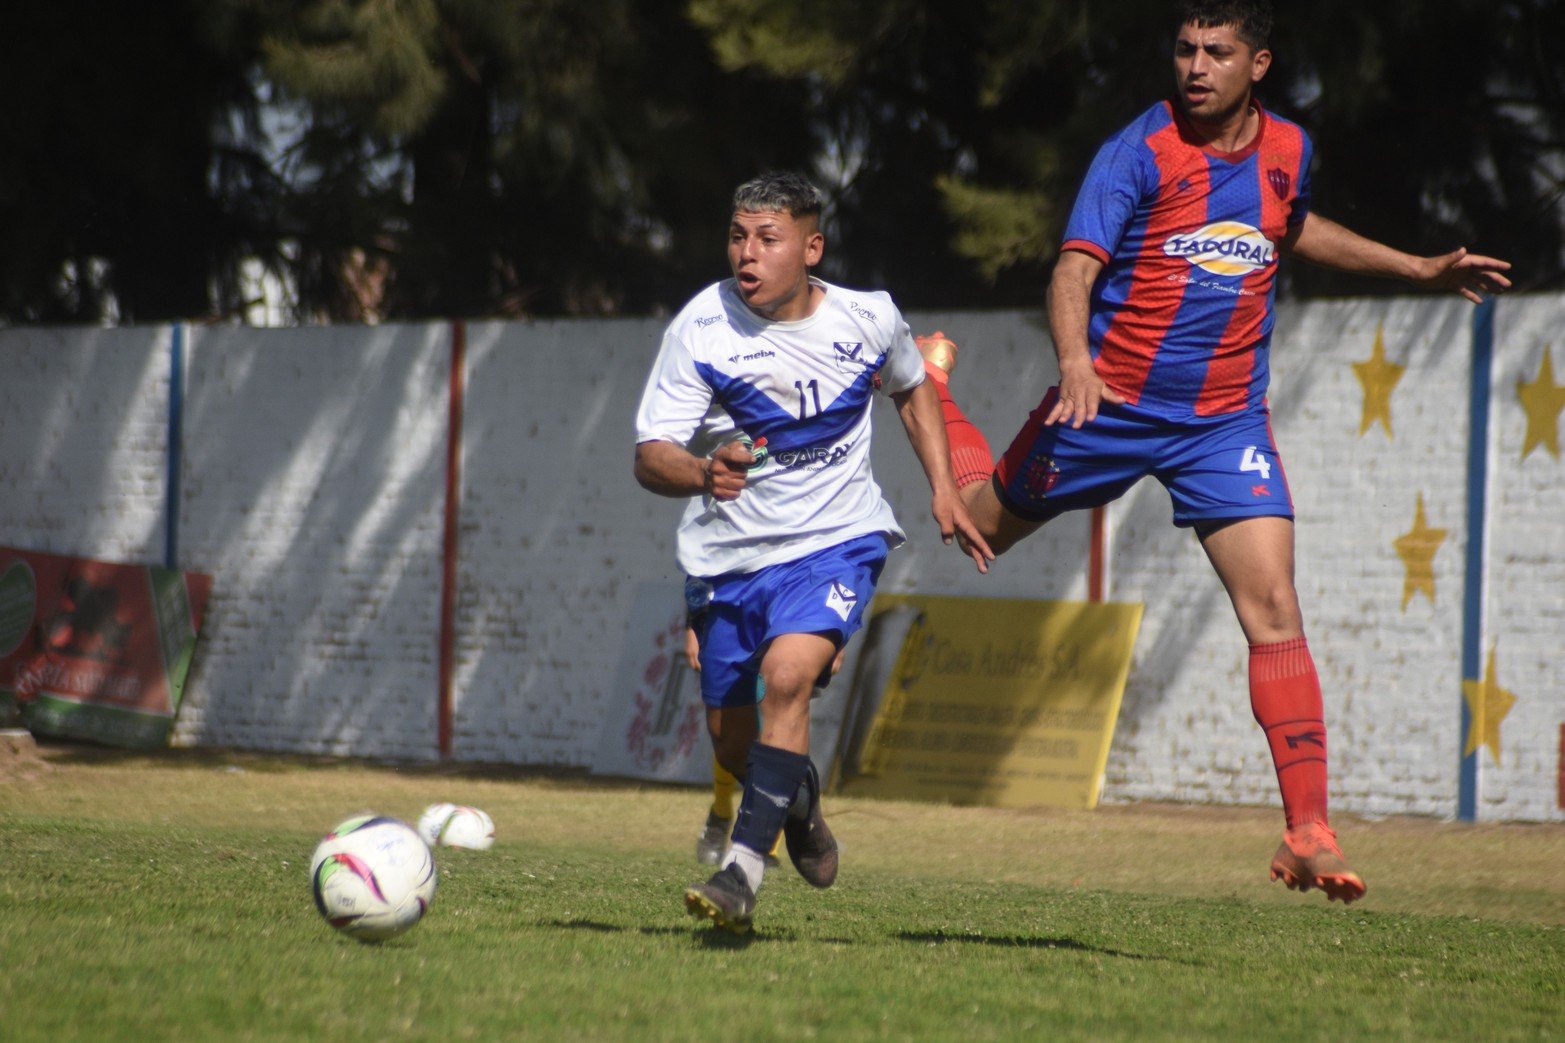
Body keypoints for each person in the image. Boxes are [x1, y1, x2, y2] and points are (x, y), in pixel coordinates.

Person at [931, 0, 1511, 905]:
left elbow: (1288, 227)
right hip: (1110, 403)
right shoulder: (1137, 152)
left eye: (1217, 52)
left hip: (1221, 423)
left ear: (1259, 64)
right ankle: (932, 392)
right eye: (1184, 49)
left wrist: (1416, 267)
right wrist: (1077, 362)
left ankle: (1307, 830)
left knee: (1274, 607)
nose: (1194, 66)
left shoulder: (1288, 147)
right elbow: (1072, 271)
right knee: (972, 529)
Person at [633, 172, 993, 934]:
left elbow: (910, 386)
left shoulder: (867, 317)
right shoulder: (701, 327)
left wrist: (940, 487)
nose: (746, 254)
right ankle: (796, 800)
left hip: (835, 542)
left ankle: (739, 871)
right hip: (727, 560)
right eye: (737, 236)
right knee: (737, 744)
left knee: (788, 677)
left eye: (767, 238)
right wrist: (703, 470)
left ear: (811, 246)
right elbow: (648, 454)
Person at [682, 578, 845, 868]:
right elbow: (707, 549)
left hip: (793, 610)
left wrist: (836, 632)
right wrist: (693, 623)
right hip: (738, 609)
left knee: (779, 724)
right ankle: (720, 813)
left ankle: (766, 841)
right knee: (732, 736)